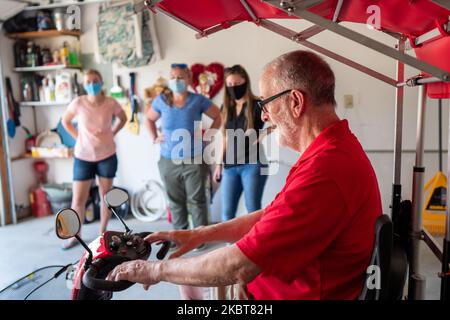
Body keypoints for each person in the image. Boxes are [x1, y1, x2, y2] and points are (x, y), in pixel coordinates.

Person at [107, 51, 382, 300]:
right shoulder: (330, 150)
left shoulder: (326, 171)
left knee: (189, 281)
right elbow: (269, 216)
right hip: (282, 283)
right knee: (190, 279)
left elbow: (237, 265)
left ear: (296, 102)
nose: (265, 116)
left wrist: (154, 270)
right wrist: (200, 234)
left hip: (282, 294)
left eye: (267, 104)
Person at [145, 63, 221, 233]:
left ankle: (201, 237)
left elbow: (217, 117)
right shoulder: (162, 101)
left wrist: (208, 135)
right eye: (172, 77)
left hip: (194, 159)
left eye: (180, 77)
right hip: (168, 160)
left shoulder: (198, 100)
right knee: (175, 200)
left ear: (188, 79)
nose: (176, 80)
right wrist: (154, 137)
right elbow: (148, 119)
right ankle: (180, 235)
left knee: (197, 200)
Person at [61, 69, 127, 249]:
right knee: (78, 200)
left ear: (101, 82)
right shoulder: (78, 103)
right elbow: (65, 121)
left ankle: (102, 234)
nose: (92, 84)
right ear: (84, 84)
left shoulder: (110, 103)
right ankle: (75, 236)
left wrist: (112, 132)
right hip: (83, 156)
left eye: (95, 81)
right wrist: (78, 137)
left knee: (106, 197)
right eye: (88, 82)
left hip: (106, 155)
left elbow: (123, 118)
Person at [214, 65, 270, 222]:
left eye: (236, 83)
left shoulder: (258, 104)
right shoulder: (226, 107)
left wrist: (262, 135)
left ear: (245, 81)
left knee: (252, 209)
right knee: (227, 212)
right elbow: (225, 137)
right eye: (229, 85)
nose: (233, 88)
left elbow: (278, 122)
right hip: (230, 166)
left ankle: (257, 245)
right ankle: (229, 246)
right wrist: (218, 164)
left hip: (253, 164)